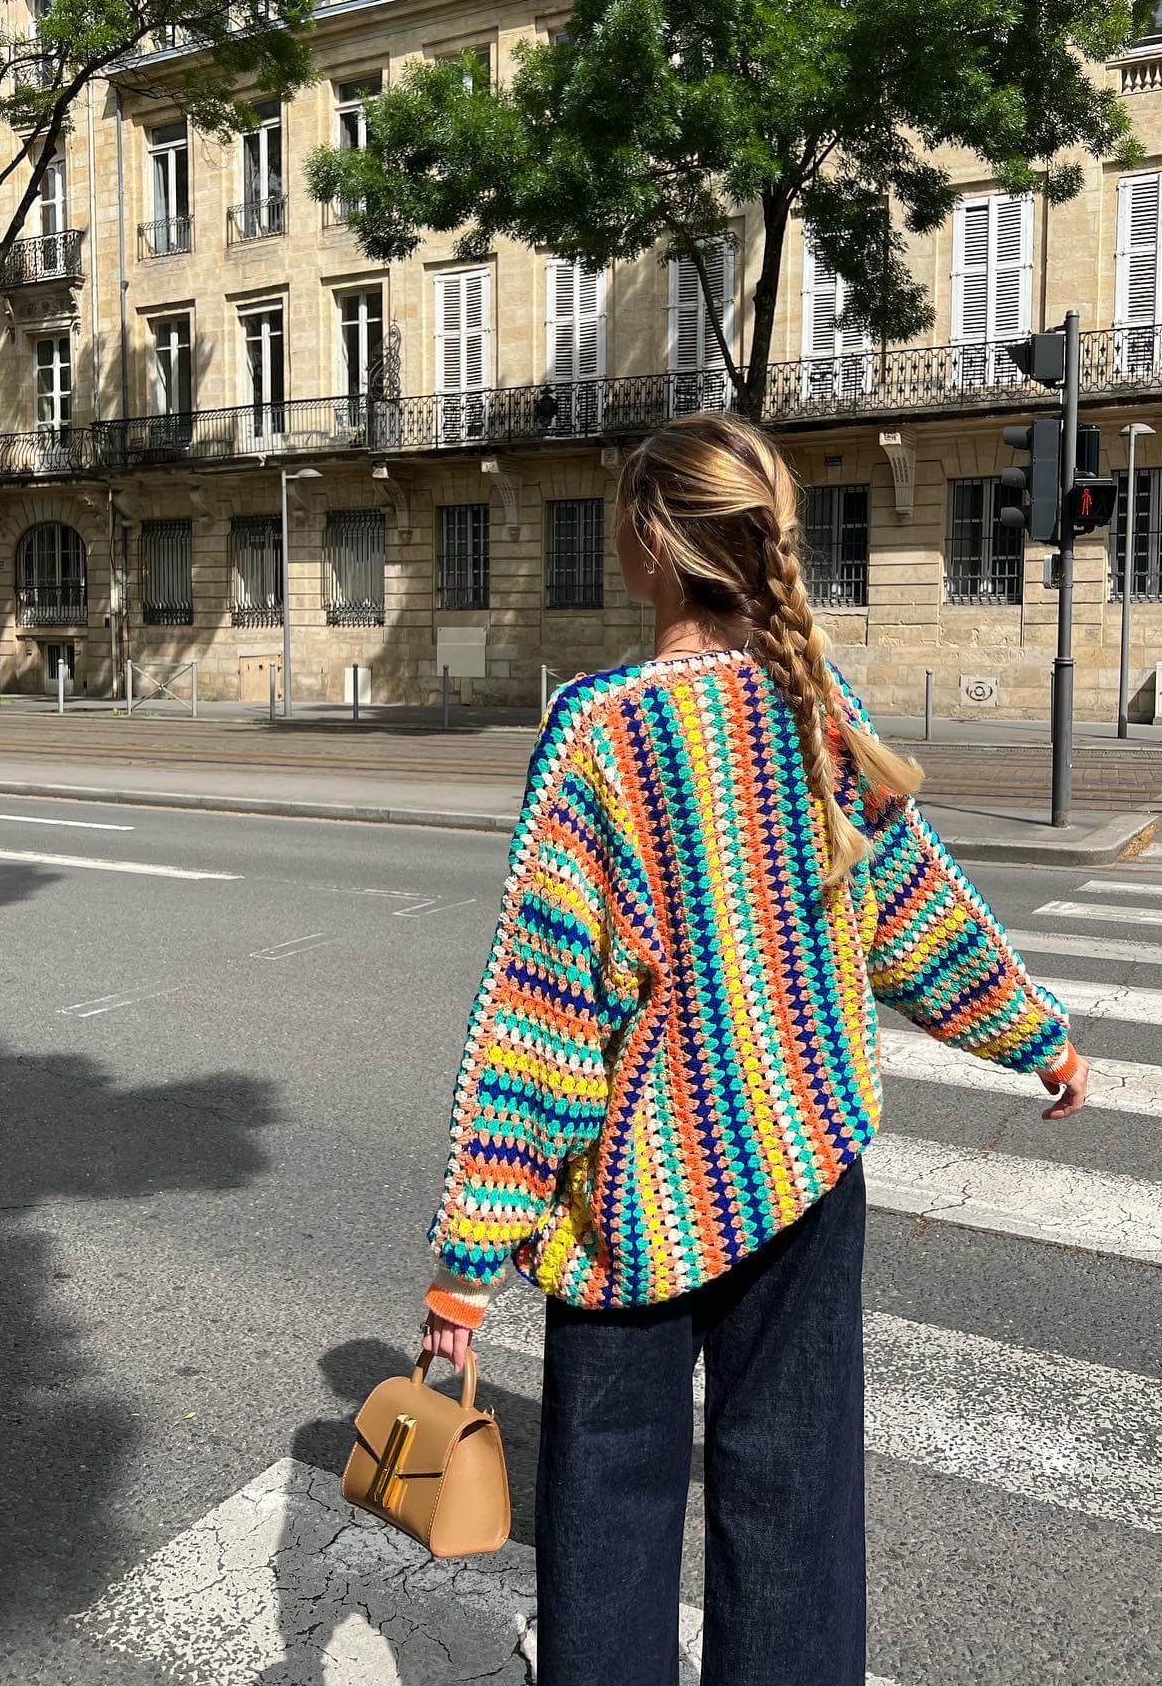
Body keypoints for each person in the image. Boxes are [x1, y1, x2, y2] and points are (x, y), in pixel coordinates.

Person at [419, 411, 1088, 1686]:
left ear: (653, 544)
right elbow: (914, 910)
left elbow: (543, 1026)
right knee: (796, 1504)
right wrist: (1036, 1038)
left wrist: (465, 1270)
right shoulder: (817, 711)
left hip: (630, 1207)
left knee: (609, 1510)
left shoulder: (600, 730)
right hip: (803, 1169)